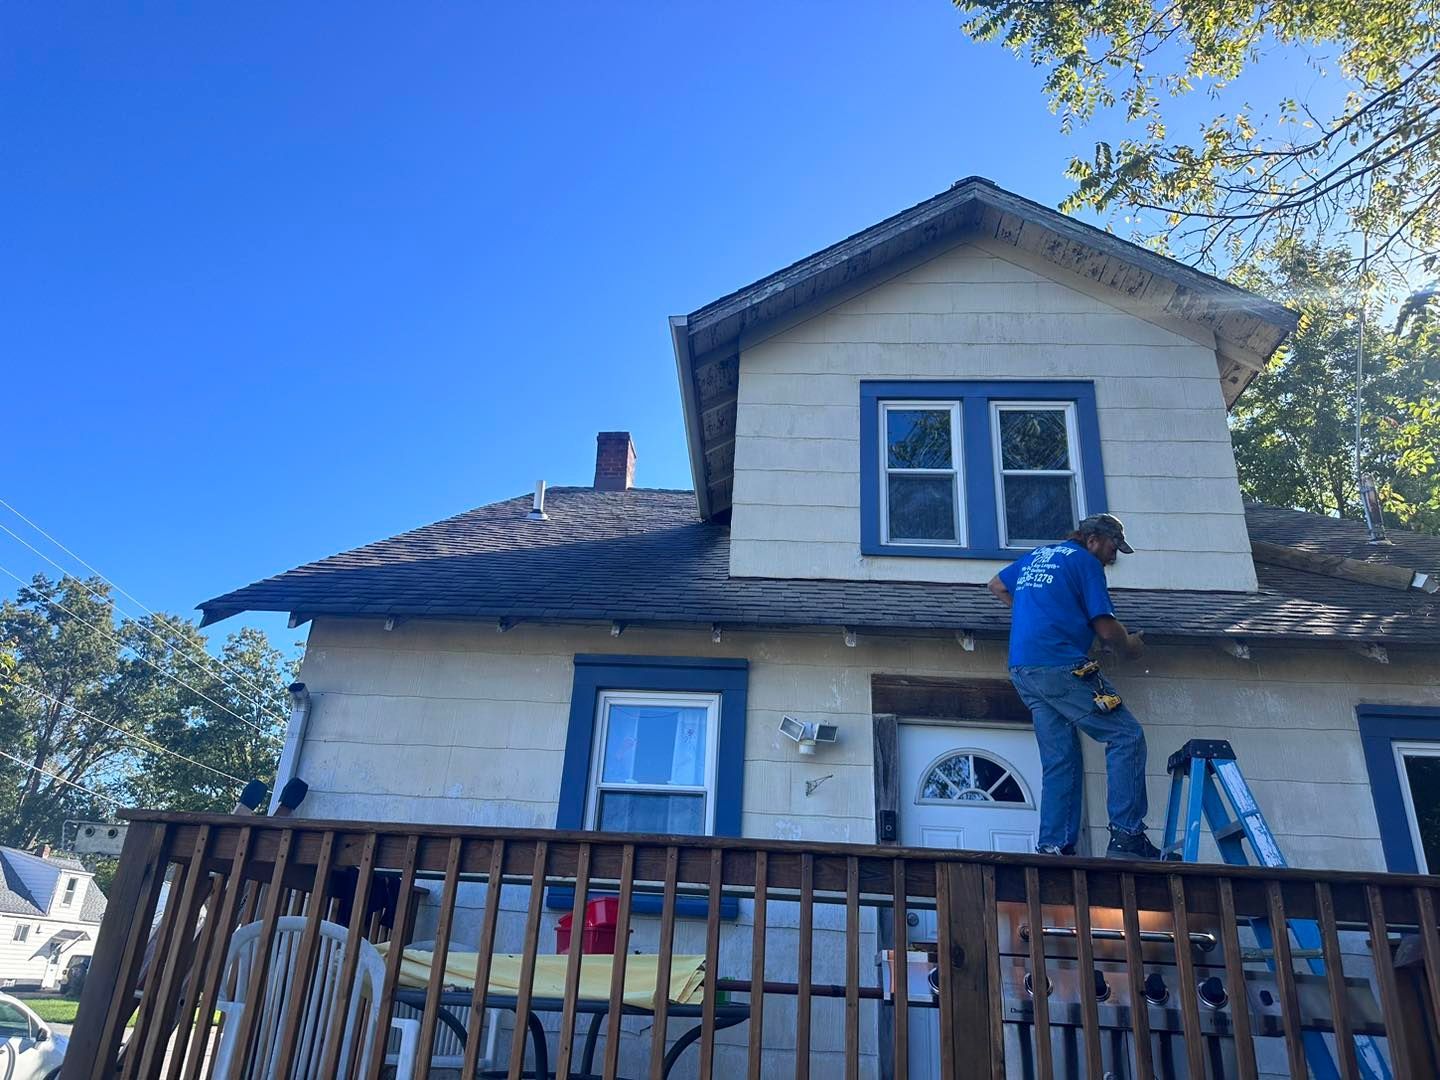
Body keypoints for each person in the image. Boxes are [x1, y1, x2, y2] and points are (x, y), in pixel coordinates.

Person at [987, 513, 1161, 860]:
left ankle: (1054, 846)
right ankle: (1127, 836)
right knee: (1126, 735)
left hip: (1024, 669)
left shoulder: (1040, 555)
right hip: (1061, 665)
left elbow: (997, 585)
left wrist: (1043, 617)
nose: (1113, 558)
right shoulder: (1086, 562)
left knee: (1060, 758)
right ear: (1093, 539)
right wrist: (1131, 648)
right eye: (1113, 548)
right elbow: (1107, 629)